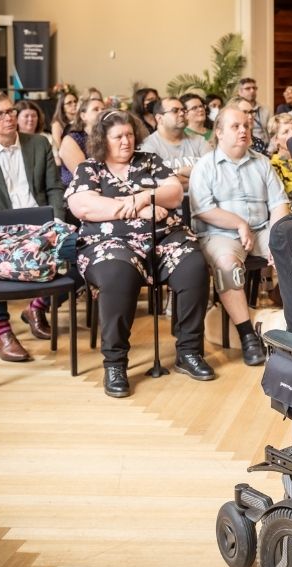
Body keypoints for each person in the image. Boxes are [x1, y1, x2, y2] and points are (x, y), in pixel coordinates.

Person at [65, 109, 213, 397]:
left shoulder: (149, 161)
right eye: (118, 136)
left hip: (163, 238)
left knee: (193, 265)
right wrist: (140, 207)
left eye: (130, 135)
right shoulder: (90, 168)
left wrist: (144, 196)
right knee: (118, 273)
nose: (126, 141)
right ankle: (115, 363)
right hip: (108, 244)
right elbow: (83, 206)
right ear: (102, 140)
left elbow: (173, 192)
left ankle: (189, 352)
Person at [0, 91, 67, 362]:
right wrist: (18, 231)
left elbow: (54, 187)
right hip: (1, 233)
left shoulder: (38, 144)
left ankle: (36, 306)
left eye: (10, 111)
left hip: (44, 225)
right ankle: (2, 332)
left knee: (80, 256)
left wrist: (56, 221)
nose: (8, 117)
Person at [190, 106, 290, 366]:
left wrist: (277, 239)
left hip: (262, 229)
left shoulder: (262, 163)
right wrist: (239, 224)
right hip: (220, 233)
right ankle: (247, 335)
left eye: (246, 125)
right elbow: (202, 209)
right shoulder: (205, 166)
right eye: (236, 126)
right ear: (219, 132)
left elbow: (279, 203)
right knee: (227, 267)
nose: (244, 130)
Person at [139, 97, 212, 192]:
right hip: (168, 205)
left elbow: (214, 174)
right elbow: (151, 185)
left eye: (183, 110)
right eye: (175, 111)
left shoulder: (199, 141)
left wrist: (179, 175)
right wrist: (182, 172)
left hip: (203, 202)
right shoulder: (147, 147)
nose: (181, 113)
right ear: (159, 118)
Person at [58, 97, 104, 187]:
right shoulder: (72, 140)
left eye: (103, 109)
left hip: (104, 186)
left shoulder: (107, 137)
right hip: (80, 189)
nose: (101, 112)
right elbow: (84, 175)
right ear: (83, 116)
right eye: (96, 109)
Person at [50, 91, 79, 159]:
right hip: (67, 158)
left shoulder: (81, 121)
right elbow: (58, 147)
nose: (74, 104)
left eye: (75, 101)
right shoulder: (57, 124)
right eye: (69, 103)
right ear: (62, 107)